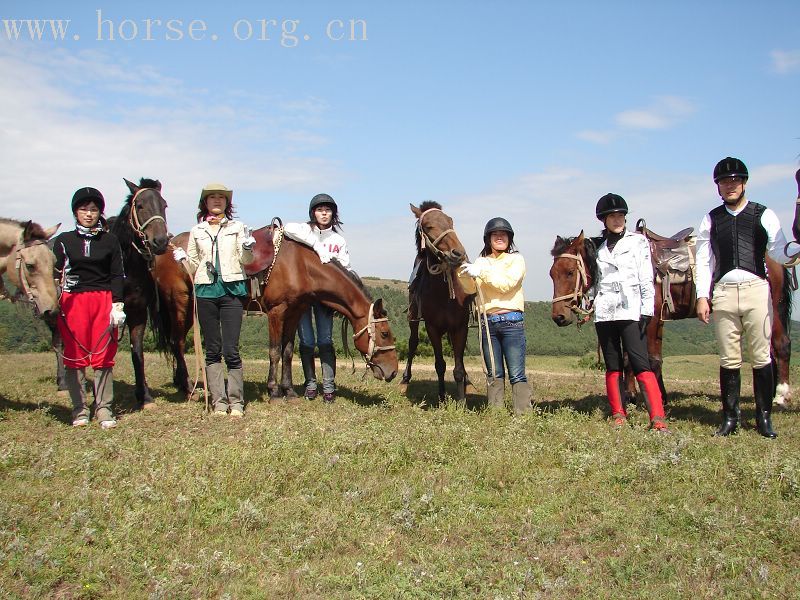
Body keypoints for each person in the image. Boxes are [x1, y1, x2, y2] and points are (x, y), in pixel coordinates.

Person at [696, 157, 792, 438]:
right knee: (729, 358)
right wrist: (703, 296)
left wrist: (793, 252)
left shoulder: (764, 214)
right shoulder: (710, 219)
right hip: (724, 292)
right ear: (718, 187)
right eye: (725, 182)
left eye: (735, 181)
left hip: (756, 290)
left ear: (744, 183)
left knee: (761, 356)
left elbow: (778, 251)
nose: (730, 185)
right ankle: (730, 418)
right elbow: (704, 261)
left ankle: (764, 418)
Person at [173, 183, 255, 417]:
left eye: (221, 197)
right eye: (212, 198)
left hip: (232, 291)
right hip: (206, 292)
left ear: (227, 203)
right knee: (212, 349)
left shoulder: (238, 227)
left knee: (231, 349)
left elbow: (246, 260)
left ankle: (236, 401)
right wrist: (182, 260)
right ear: (205, 203)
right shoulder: (197, 231)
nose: (217, 201)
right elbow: (193, 265)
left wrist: (248, 248)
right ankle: (219, 401)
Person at [587, 193, 668, 431]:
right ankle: (618, 414)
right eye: (612, 216)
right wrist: (590, 304)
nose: (617, 220)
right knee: (613, 365)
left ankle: (657, 417)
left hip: (631, 310)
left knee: (641, 362)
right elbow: (595, 282)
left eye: (620, 215)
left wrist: (646, 308)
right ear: (604, 219)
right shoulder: (597, 248)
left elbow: (646, 277)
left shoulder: (637, 242)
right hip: (604, 312)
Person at [53, 187, 126, 429]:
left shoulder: (110, 240)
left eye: (93, 210)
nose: (88, 214)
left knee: (103, 354)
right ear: (75, 212)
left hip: (103, 298)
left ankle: (104, 408)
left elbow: (117, 273)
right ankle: (79, 409)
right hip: (73, 300)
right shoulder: (63, 241)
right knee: (75, 354)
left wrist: (117, 304)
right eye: (84, 209)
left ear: (99, 213)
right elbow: (56, 274)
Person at [458, 217, 532, 414]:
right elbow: (470, 288)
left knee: (516, 372)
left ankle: (523, 413)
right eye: (495, 234)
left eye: (503, 234)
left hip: (511, 323)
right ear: (488, 239)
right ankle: (496, 413)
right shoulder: (482, 261)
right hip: (488, 324)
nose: (499, 237)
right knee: (493, 372)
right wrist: (463, 272)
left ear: (509, 238)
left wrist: (481, 272)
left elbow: (506, 284)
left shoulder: (516, 259)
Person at [283, 193, 350, 403]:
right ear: (313, 212)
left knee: (325, 340)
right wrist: (315, 243)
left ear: (333, 214)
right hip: (302, 296)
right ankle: (310, 384)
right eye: (320, 209)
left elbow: (345, 269)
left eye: (328, 210)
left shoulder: (338, 240)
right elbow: (286, 228)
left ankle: (328, 386)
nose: (324, 213)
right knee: (307, 341)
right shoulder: (304, 230)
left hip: (325, 297)